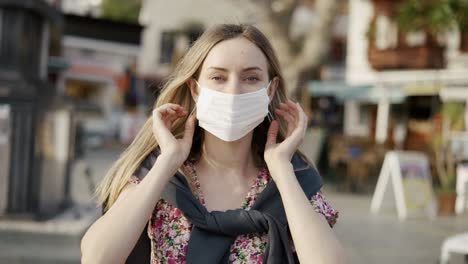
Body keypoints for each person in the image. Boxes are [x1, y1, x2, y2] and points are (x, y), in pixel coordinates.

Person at [81, 24, 346, 264]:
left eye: (251, 78)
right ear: (196, 90)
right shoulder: (160, 175)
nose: (233, 91)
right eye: (218, 78)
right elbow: (97, 258)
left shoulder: (295, 180)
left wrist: (282, 170)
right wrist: (167, 162)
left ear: (271, 89)